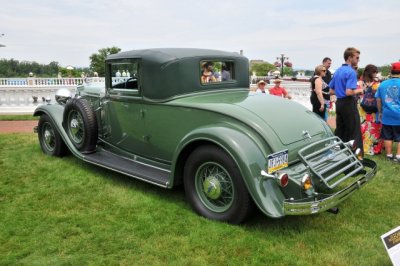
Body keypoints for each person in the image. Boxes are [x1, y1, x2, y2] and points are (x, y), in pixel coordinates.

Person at [329, 47, 364, 158]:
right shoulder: (351, 72)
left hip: (339, 104)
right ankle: (357, 158)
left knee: (341, 130)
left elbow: (330, 91)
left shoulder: (338, 70)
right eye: (357, 58)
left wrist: (340, 91)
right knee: (354, 131)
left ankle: (339, 156)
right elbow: (349, 92)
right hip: (348, 103)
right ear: (350, 58)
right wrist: (361, 90)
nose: (358, 60)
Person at [375, 62, 400, 161]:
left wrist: (380, 112)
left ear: (391, 71)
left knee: (387, 136)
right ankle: (398, 156)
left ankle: (389, 155)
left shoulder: (383, 84)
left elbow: (378, 100)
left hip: (387, 114)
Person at [359, 64, 382, 155]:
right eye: (375, 72)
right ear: (370, 72)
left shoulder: (360, 82)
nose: (376, 73)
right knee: (374, 128)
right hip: (373, 108)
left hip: (362, 107)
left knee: (364, 127)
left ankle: (364, 145)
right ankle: (373, 147)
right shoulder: (376, 84)